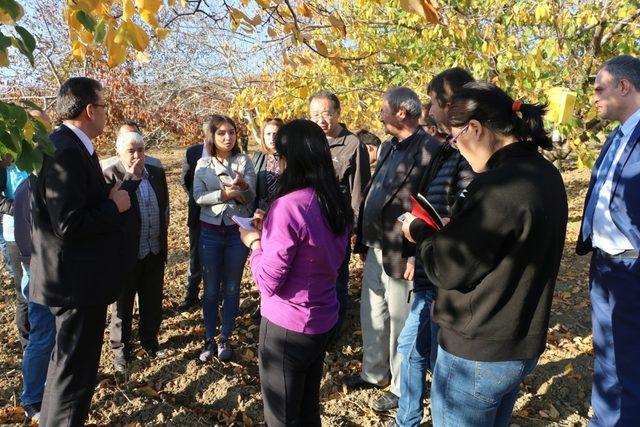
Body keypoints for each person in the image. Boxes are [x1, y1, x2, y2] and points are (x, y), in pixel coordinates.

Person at [401, 81, 567, 426]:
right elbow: (503, 243)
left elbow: (448, 269)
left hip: (476, 351)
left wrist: (420, 231)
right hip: (519, 342)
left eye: (454, 136)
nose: (456, 147)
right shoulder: (546, 174)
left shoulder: (498, 186)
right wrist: (456, 228)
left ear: (475, 128)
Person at [30, 77, 131, 426]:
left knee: (69, 369)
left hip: (78, 280)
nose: (106, 114)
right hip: (75, 284)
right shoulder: (66, 150)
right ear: (90, 110)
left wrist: (103, 195)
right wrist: (114, 206)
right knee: (73, 376)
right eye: (104, 107)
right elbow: (69, 223)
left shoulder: (69, 146)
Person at [239, 119, 351, 426]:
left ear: (290, 159)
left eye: (279, 157)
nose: (276, 165)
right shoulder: (335, 201)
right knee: (307, 410)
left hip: (287, 327)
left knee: (283, 417)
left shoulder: (289, 206)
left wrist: (255, 243)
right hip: (323, 319)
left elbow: (268, 281)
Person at [345, 87, 441, 412]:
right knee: (372, 313)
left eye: (384, 108)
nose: (380, 113)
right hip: (375, 246)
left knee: (402, 320)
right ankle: (374, 373)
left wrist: (417, 252)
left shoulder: (430, 149)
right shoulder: (388, 146)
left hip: (404, 251)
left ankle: (402, 387)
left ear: (402, 111)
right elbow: (375, 190)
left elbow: (429, 205)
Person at [393, 68, 475, 427]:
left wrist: (430, 234)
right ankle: (408, 418)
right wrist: (415, 249)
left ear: (450, 104)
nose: (428, 110)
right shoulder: (445, 149)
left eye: (432, 102)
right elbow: (427, 204)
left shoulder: (470, 155)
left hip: (449, 276)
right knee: (411, 348)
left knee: (430, 353)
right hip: (429, 266)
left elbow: (465, 218)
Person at [577, 55, 640, 426]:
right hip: (603, 264)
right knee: (606, 353)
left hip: (631, 267)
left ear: (624, 86)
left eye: (600, 88)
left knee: (628, 357)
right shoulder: (617, 134)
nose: (595, 97)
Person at [104, 129, 170, 373]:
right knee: (122, 307)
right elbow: (111, 213)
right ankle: (121, 351)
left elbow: (164, 207)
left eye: (140, 150)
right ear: (119, 151)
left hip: (153, 249)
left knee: (152, 301)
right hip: (126, 254)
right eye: (131, 151)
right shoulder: (111, 175)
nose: (137, 156)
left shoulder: (155, 173)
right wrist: (131, 177)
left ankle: (150, 343)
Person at [193, 115, 256, 362]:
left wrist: (241, 189)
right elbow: (198, 197)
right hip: (210, 231)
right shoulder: (203, 164)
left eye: (231, 132)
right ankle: (209, 338)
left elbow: (249, 197)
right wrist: (224, 194)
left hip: (235, 232)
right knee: (210, 289)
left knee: (231, 286)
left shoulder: (243, 161)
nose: (228, 137)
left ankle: (225, 337)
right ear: (212, 136)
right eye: (221, 133)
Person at [309, 91, 371, 339]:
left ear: (337, 114)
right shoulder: (310, 141)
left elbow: (359, 190)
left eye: (326, 113)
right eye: (315, 115)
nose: (321, 120)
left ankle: (334, 329)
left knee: (336, 277)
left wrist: (355, 227)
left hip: (337, 224)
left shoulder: (352, 144)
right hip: (310, 222)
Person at [178, 115, 219, 310]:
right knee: (196, 255)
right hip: (197, 212)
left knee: (218, 255)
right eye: (209, 130)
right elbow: (184, 180)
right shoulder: (193, 152)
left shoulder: (225, 151)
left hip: (221, 213)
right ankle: (191, 294)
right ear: (204, 132)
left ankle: (214, 294)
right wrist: (199, 197)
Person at [0, 160, 30, 350]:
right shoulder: (4, 162)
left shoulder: (34, 152)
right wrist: (16, 208)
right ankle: (27, 343)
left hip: (42, 232)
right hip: (15, 234)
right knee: (24, 292)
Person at [253, 118, 284, 212]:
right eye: (268, 134)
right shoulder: (258, 157)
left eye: (276, 134)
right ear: (263, 136)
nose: (272, 138)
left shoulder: (290, 157)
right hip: (262, 211)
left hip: (284, 209)